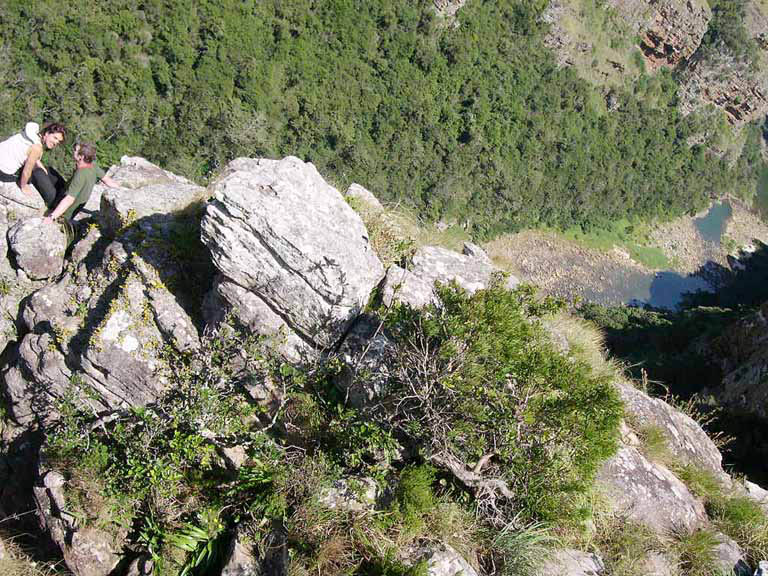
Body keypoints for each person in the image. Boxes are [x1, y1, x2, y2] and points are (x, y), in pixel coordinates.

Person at [43, 143, 119, 227]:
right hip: (66, 192)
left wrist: (52, 217)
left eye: (75, 151)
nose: (73, 151)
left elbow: (69, 199)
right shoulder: (93, 165)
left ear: (81, 157)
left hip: (64, 211)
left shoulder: (80, 174)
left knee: (38, 175)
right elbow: (107, 180)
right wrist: (122, 191)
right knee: (49, 170)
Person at [0, 122, 67, 207]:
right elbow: (26, 171)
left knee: (42, 170)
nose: (56, 142)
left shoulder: (31, 132)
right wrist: (24, 187)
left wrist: (42, 167)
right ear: (47, 133)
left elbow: (27, 153)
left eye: (58, 141)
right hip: (3, 172)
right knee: (34, 176)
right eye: (55, 138)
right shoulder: (37, 148)